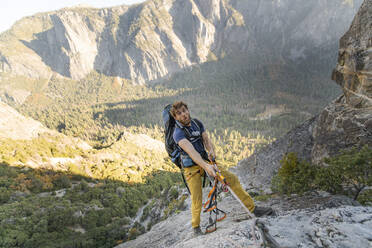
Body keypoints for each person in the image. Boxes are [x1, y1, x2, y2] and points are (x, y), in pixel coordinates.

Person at [170, 101, 274, 235]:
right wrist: (207, 166)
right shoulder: (177, 133)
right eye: (179, 113)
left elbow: (206, 139)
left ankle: (252, 209)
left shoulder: (197, 123)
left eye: (184, 110)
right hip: (191, 168)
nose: (183, 114)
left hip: (207, 161)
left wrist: (211, 151)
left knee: (232, 179)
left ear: (188, 110)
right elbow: (192, 152)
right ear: (175, 118)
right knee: (197, 197)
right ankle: (196, 227)